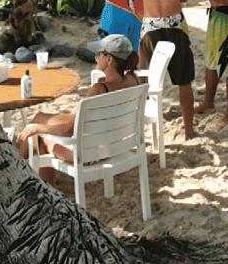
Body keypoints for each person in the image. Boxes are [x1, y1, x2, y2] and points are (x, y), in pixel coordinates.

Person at [17, 34, 140, 187]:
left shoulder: (100, 89)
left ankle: (16, 173)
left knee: (38, 135)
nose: (95, 57)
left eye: (99, 53)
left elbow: (69, 130)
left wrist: (36, 129)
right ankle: (27, 174)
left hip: (90, 154)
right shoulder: (133, 80)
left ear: (109, 59)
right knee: (39, 117)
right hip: (113, 145)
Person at [133, 0, 195, 139]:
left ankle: (146, 132)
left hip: (150, 25)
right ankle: (189, 130)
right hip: (175, 24)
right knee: (184, 81)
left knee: (145, 83)